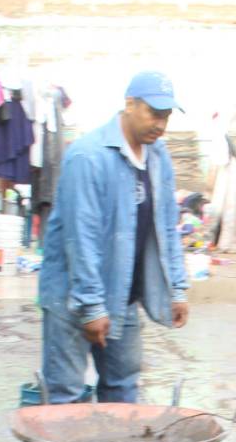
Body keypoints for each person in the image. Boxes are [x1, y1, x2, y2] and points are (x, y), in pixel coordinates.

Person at [38, 70, 189, 407]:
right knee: (67, 397)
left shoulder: (158, 157)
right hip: (71, 297)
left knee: (122, 390)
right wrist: (91, 307)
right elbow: (81, 239)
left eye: (166, 117)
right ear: (130, 104)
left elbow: (166, 226)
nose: (160, 125)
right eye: (154, 113)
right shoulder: (88, 157)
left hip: (122, 296)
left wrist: (176, 288)